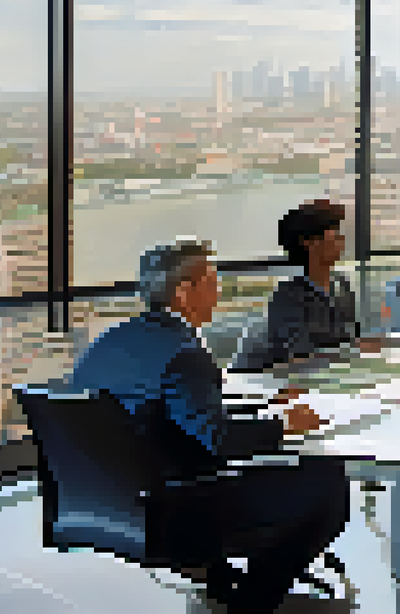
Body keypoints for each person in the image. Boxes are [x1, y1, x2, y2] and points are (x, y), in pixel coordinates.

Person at [64, 239, 349, 613]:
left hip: (106, 503)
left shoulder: (107, 342)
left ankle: (219, 579)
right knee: (325, 482)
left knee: (243, 465)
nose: (220, 291)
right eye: (212, 281)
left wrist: (261, 408)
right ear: (184, 292)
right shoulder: (184, 353)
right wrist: (282, 424)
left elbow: (171, 416)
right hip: (170, 509)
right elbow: (220, 438)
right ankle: (251, 603)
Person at [232, 199, 379, 372]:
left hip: (335, 377)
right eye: (334, 233)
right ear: (309, 242)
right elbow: (300, 358)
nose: (341, 239)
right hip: (295, 385)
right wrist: (352, 352)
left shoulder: (341, 285)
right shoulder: (288, 297)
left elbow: (350, 338)